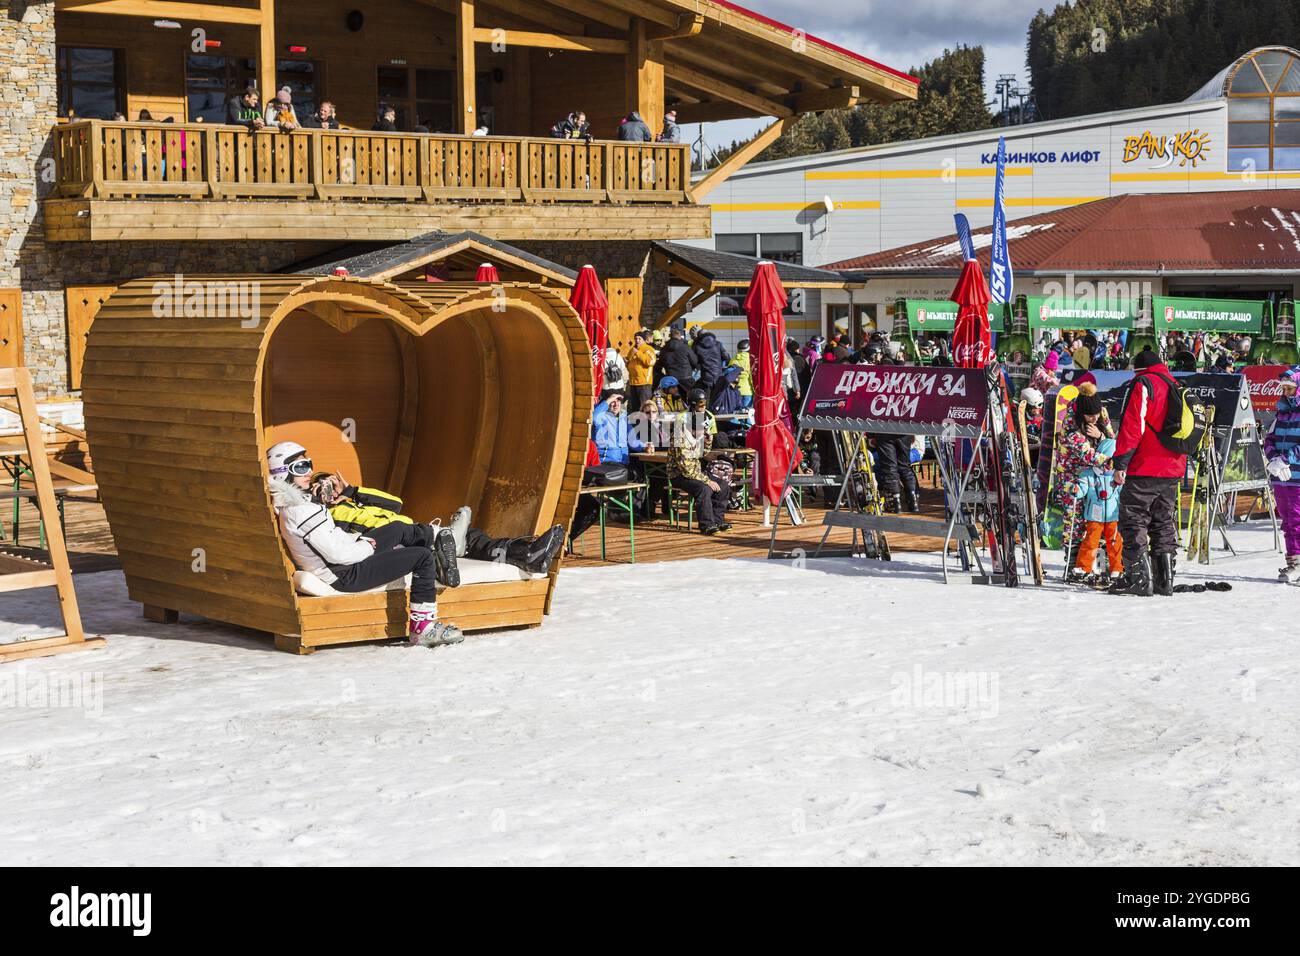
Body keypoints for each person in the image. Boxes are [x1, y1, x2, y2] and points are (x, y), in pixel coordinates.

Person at [265, 441, 463, 647]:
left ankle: (438, 537)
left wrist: (358, 539)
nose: (310, 471)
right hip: (346, 574)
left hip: (345, 564)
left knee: (396, 528)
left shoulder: (301, 506)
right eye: (300, 467)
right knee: (422, 557)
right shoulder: (301, 511)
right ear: (282, 474)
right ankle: (423, 630)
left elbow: (333, 540)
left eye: (309, 463)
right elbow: (339, 555)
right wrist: (368, 545)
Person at [1109, 350, 1189, 596]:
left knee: (1133, 519)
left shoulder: (1144, 383)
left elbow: (1133, 426)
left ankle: (1139, 579)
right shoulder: (1175, 383)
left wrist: (1121, 463)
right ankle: (1165, 580)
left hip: (1145, 465)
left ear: (1138, 369)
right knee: (1163, 521)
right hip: (1173, 465)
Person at [1049, 382, 1114, 581]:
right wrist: (1114, 462)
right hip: (1073, 479)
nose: (1094, 418)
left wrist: (1101, 435)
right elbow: (1089, 456)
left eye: (1096, 414)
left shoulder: (1101, 414)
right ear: (1081, 413)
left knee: (1100, 520)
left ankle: (1101, 566)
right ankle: (1073, 567)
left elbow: (1111, 441)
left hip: (1098, 479)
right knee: (1075, 524)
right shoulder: (1070, 428)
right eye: (1090, 415)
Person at [668, 401, 730, 535]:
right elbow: (686, 468)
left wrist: (708, 441)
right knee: (704, 488)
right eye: (702, 430)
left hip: (695, 472)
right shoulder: (680, 438)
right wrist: (707, 480)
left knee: (723, 484)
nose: (704, 432)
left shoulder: (698, 435)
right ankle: (706, 524)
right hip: (679, 475)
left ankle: (718, 520)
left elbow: (702, 454)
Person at [1263, 365, 1300, 582]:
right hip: (1281, 476)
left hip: (1296, 477)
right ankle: (1293, 562)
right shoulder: (1282, 412)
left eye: (1289, 389)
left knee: (1297, 519)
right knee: (1287, 520)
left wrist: (1286, 459)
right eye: (1284, 389)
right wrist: (1273, 458)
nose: (1285, 393)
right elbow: (1269, 438)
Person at [1072, 437, 1124, 585]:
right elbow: (1082, 487)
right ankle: (1084, 566)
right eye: (1106, 461)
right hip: (1094, 516)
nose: (1108, 466)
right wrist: (1077, 490)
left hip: (1113, 515)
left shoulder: (1118, 475)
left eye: (1112, 462)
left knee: (1114, 542)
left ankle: (1117, 568)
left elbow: (1122, 492)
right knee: (1091, 540)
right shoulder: (1089, 474)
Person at [592, 391, 646, 465]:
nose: (616, 404)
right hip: (606, 461)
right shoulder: (601, 417)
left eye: (618, 401)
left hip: (623, 461)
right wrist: (608, 401)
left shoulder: (624, 418)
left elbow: (632, 440)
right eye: (613, 401)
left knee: (639, 472)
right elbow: (594, 417)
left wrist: (645, 446)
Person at [625, 330, 657, 410]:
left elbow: (650, 362)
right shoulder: (632, 350)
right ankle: (636, 422)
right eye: (636, 338)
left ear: (643, 340)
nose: (637, 340)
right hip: (633, 382)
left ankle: (646, 422)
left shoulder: (648, 349)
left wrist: (638, 353)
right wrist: (626, 362)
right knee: (635, 407)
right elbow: (629, 362)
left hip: (644, 383)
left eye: (639, 338)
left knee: (645, 406)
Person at [729, 339, 753, 409]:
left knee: (736, 414)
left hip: (735, 392)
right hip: (747, 391)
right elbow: (752, 379)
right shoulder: (750, 360)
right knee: (747, 415)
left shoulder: (733, 360)